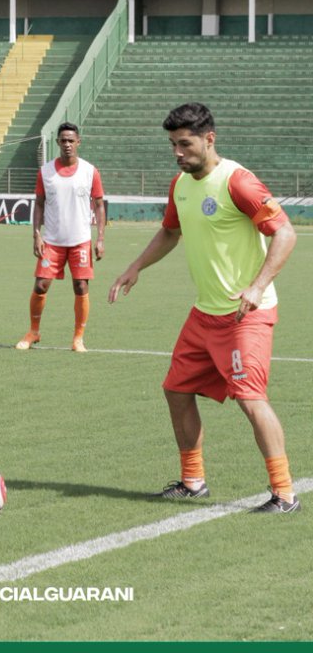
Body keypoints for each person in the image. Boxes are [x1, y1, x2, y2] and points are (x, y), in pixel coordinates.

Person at [109, 102, 299, 514]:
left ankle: (285, 493)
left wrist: (257, 285)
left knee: (250, 399)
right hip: (204, 314)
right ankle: (193, 482)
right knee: (176, 390)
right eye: (173, 145)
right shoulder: (180, 183)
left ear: (209, 139)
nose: (178, 152)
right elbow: (170, 231)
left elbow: (285, 233)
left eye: (185, 144)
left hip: (246, 315)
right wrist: (135, 267)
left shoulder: (238, 182)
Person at [15, 122, 105, 353]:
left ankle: (78, 338)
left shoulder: (90, 171)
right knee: (41, 284)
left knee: (81, 286)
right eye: (63, 140)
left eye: (71, 140)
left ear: (78, 142)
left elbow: (98, 205)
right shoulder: (45, 172)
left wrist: (100, 238)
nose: (67, 144)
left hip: (81, 240)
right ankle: (33, 332)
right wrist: (36, 234)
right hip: (52, 241)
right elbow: (39, 204)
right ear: (57, 143)